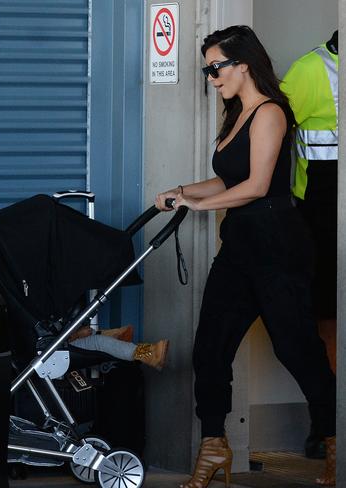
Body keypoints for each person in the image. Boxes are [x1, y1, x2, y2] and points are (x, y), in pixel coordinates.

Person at [155, 25, 336, 487]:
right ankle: (213, 447)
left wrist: (197, 205)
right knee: (210, 349)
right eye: (206, 69)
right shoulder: (235, 114)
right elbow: (228, 179)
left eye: (215, 67)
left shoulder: (272, 113)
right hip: (240, 247)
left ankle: (335, 439)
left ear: (244, 64)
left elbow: (256, 185)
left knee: (296, 350)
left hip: (278, 245)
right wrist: (182, 191)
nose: (210, 77)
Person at [281, 31, 338, 460]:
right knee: (328, 317)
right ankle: (330, 427)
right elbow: (272, 138)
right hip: (322, 214)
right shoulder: (308, 70)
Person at [68, 324, 169, 371]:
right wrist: (77, 335)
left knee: (88, 332)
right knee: (96, 342)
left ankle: (117, 340)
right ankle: (150, 354)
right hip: (58, 352)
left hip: (60, 340)